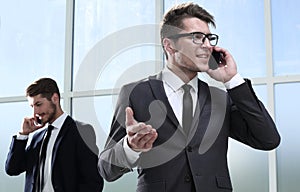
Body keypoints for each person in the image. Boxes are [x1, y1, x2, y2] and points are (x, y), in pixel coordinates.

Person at [98, 2, 280, 192]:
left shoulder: (220, 98)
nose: (207, 46)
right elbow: (106, 169)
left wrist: (232, 80)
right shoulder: (136, 93)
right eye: (197, 37)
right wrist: (130, 147)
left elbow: (268, 139)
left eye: (209, 38)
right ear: (169, 45)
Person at [5, 77, 104, 192]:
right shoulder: (37, 137)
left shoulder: (81, 131)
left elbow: (93, 182)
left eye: (39, 104)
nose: (35, 113)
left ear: (55, 98)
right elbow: (12, 169)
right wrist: (23, 135)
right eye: (32, 106)